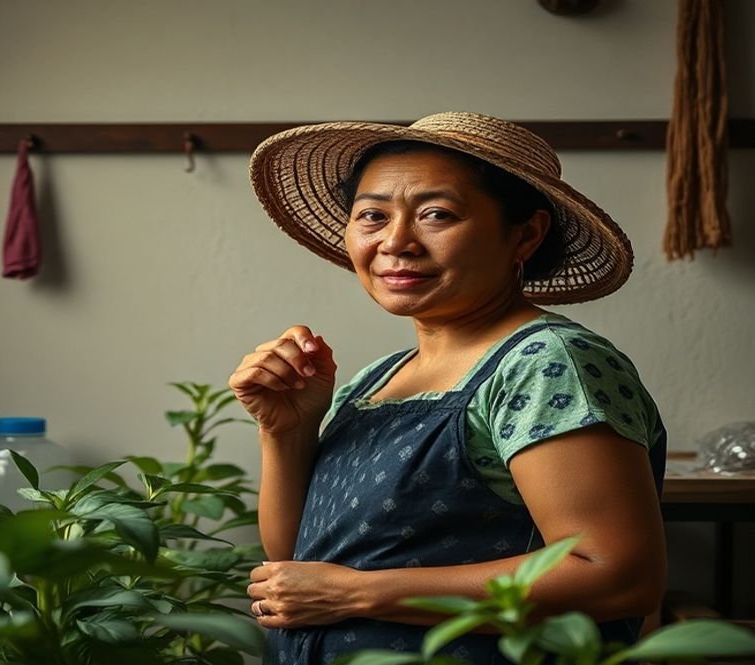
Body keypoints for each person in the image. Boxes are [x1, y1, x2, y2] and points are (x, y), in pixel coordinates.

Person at [230, 112, 667, 664]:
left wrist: (361, 594)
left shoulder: (545, 363)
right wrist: (285, 430)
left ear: (525, 234)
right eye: (371, 215)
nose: (396, 242)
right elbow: (301, 559)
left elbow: (616, 576)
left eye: (437, 214)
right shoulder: (378, 377)